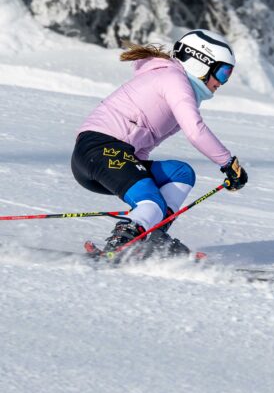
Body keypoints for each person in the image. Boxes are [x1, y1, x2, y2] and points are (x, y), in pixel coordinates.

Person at [71, 29, 248, 257]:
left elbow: (141, 148)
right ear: (201, 63)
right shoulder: (173, 79)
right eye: (223, 73)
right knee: (151, 201)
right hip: (98, 150)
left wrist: (137, 179)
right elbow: (195, 131)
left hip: (112, 156)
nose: (222, 82)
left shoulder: (176, 84)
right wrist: (228, 163)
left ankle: (152, 234)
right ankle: (122, 242)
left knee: (181, 173)